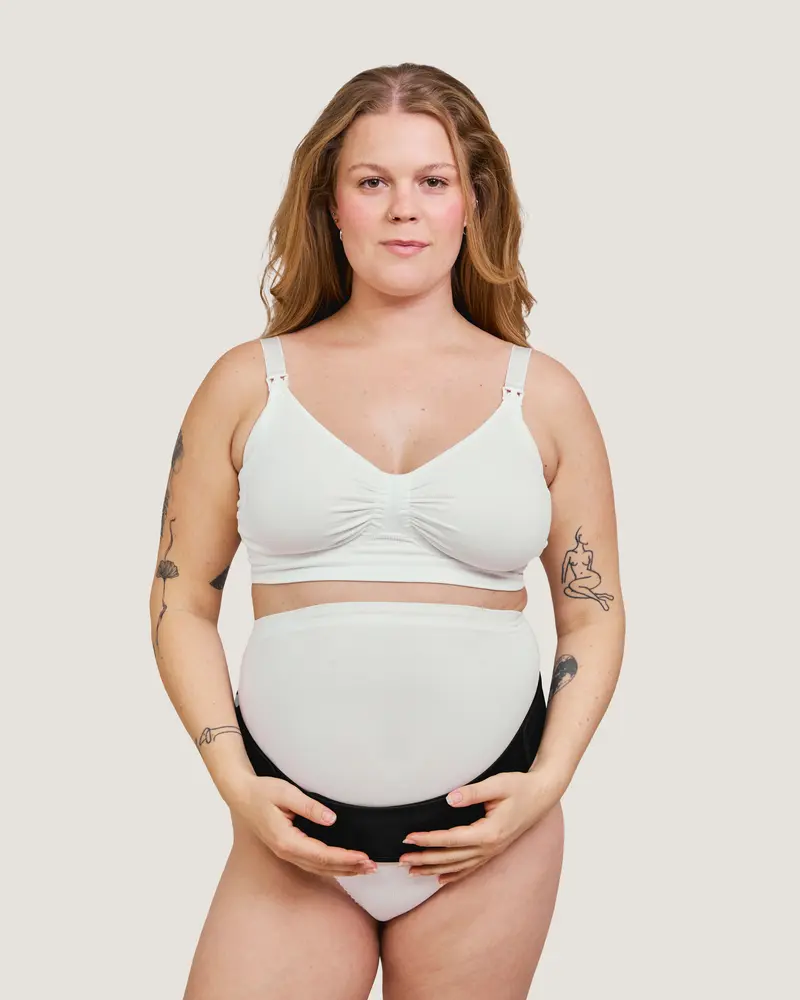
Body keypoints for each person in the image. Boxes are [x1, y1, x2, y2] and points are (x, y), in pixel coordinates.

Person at [150, 62, 626, 1000]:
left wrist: (543, 786)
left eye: (431, 181)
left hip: (488, 842)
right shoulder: (246, 384)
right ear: (331, 205)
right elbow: (179, 604)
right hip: (289, 836)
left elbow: (595, 613)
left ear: (471, 204)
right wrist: (237, 786)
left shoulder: (546, 396)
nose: (404, 208)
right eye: (373, 181)